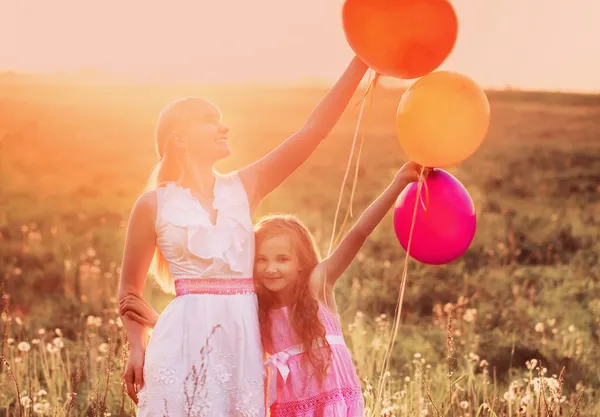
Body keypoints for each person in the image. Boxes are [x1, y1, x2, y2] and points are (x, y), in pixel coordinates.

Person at [117, 56, 368, 416]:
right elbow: (129, 292)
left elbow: (312, 131)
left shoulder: (244, 187)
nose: (224, 127)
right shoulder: (152, 204)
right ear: (179, 138)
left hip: (243, 342)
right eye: (210, 120)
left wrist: (360, 62)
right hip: (178, 341)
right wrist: (137, 348)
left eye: (221, 119)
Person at [121, 162, 430, 416]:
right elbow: (215, 339)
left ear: (300, 262)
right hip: (287, 410)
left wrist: (398, 183)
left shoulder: (317, 287)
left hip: (333, 404)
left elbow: (359, 232)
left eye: (282, 259)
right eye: (262, 260)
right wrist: (157, 321)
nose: (271, 268)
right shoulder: (257, 308)